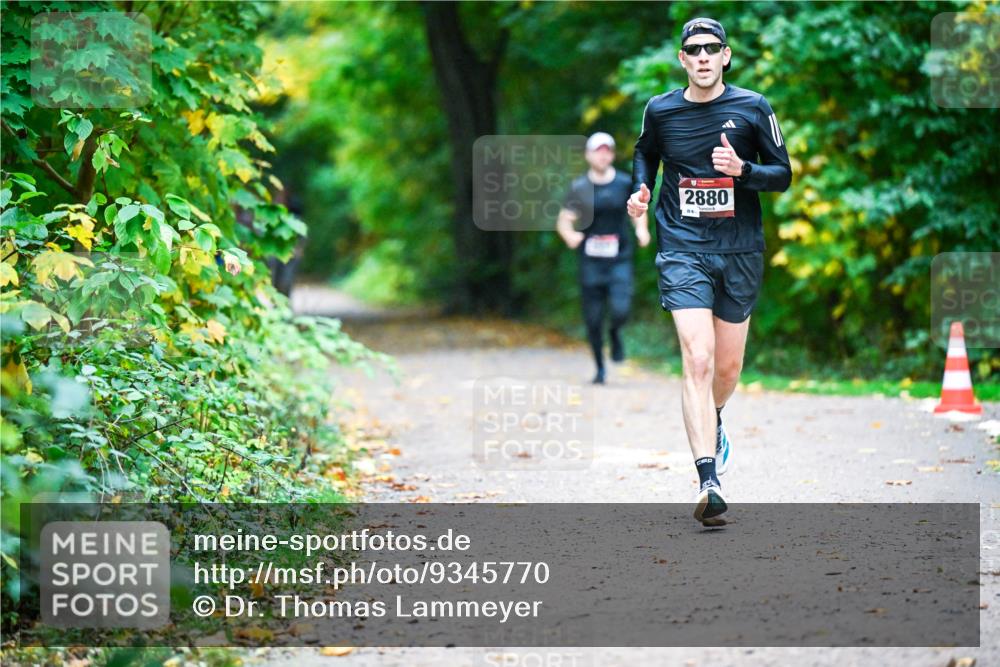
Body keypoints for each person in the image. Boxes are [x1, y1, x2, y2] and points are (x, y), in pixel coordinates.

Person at [626, 18, 792, 523]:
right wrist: (640, 190)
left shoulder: (753, 107)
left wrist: (744, 170)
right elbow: (644, 153)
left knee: (726, 369)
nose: (702, 56)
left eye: (711, 48)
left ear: (726, 56)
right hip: (683, 246)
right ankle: (708, 480)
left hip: (739, 249)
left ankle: (714, 418)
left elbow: (782, 175)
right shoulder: (661, 110)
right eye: (693, 49)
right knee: (697, 358)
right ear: (682, 59)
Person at [557, 132, 651, 384]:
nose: (603, 155)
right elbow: (564, 220)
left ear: (612, 155)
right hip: (591, 261)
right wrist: (570, 236)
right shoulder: (579, 187)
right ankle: (599, 368)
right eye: (598, 151)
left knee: (621, 308)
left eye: (607, 150)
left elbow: (637, 211)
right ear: (588, 155)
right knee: (593, 318)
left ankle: (615, 331)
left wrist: (642, 230)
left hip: (619, 257)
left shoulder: (624, 183)